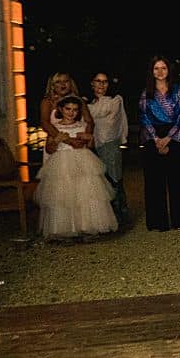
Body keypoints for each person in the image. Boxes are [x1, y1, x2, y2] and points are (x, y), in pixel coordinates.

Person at [34, 95, 118, 240]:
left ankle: (87, 227)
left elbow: (90, 146)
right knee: (63, 196)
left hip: (83, 162)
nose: (71, 112)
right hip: (62, 164)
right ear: (60, 109)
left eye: (75, 110)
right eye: (68, 109)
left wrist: (88, 138)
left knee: (85, 194)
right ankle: (64, 228)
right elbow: (49, 149)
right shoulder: (56, 128)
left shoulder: (82, 126)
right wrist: (58, 140)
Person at [138, 55, 180, 231]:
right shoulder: (146, 92)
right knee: (154, 181)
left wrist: (168, 138)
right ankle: (157, 222)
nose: (160, 72)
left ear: (169, 70)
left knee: (178, 180)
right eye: (156, 68)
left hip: (174, 135)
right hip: (152, 136)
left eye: (163, 68)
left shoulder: (177, 90)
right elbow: (143, 116)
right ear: (151, 71)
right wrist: (156, 139)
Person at [87, 70, 130, 225]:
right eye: (98, 81)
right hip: (93, 147)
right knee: (98, 184)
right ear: (92, 83)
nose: (101, 85)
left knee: (114, 181)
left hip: (110, 145)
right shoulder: (88, 103)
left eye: (105, 81)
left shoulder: (115, 101)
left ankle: (120, 218)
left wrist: (90, 116)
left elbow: (108, 122)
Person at [39, 72, 94, 151]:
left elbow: (89, 121)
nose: (63, 84)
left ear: (71, 83)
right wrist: (68, 140)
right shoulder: (48, 102)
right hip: (57, 144)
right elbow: (45, 123)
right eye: (58, 82)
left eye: (66, 81)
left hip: (79, 144)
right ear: (53, 85)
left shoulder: (79, 100)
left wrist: (85, 138)